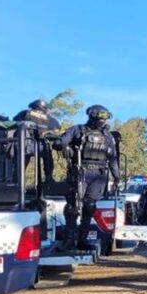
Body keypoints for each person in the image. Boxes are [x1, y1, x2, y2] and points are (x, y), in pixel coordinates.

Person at [53, 105, 119, 250]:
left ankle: (82, 240)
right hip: (79, 172)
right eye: (100, 118)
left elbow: (113, 157)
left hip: (99, 175)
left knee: (89, 207)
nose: (102, 121)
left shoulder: (108, 136)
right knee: (72, 208)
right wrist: (66, 147)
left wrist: (117, 177)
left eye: (105, 118)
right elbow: (57, 143)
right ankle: (68, 241)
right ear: (92, 116)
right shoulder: (77, 130)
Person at [13, 99, 61, 182]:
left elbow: (15, 122)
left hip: (26, 143)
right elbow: (58, 128)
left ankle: (17, 179)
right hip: (41, 145)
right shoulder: (49, 118)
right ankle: (49, 177)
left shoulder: (25, 113)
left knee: (21, 160)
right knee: (48, 156)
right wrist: (48, 131)